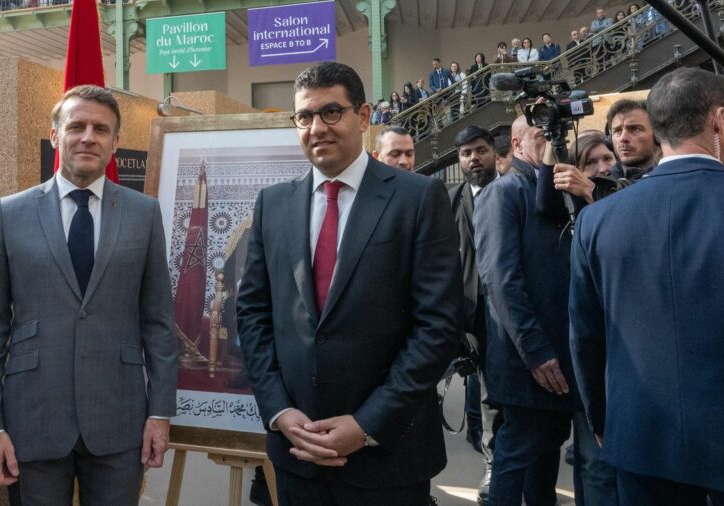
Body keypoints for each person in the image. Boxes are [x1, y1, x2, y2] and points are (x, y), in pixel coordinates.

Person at [237, 62, 461, 506]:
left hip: (388, 458)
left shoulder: (416, 198)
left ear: (363, 117)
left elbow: (438, 326)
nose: (317, 127)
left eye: (331, 112)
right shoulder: (272, 205)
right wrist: (280, 411)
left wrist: (366, 425)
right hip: (297, 454)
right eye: (305, 117)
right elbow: (253, 314)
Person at [0, 85, 177, 504]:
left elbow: (158, 322)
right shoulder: (10, 213)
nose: (88, 137)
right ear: (55, 135)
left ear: (116, 142)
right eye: (77, 126)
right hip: (32, 416)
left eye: (101, 129)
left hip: (119, 419)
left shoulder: (143, 214)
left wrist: (160, 412)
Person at [570, 67, 724, 504]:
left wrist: (602, 418)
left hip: (639, 437)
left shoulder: (597, 218)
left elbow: (585, 336)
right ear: (717, 119)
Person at [473, 115, 579, 506]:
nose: (552, 142)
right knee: (517, 450)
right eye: (541, 136)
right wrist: (535, 350)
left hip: (558, 355)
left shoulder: (556, 190)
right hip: (526, 358)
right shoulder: (503, 193)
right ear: (517, 145)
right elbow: (501, 281)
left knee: (548, 446)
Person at [447, 126, 500, 504]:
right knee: (482, 394)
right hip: (465, 318)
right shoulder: (449, 200)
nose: (474, 158)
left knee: (500, 395)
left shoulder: (514, 193)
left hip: (507, 314)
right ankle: (493, 463)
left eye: (480, 150)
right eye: (466, 153)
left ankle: (505, 463)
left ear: (494, 153)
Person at [606, 99, 659, 181]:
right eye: (618, 131)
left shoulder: (672, 179)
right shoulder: (602, 186)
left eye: (635, 129)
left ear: (657, 135)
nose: (623, 138)